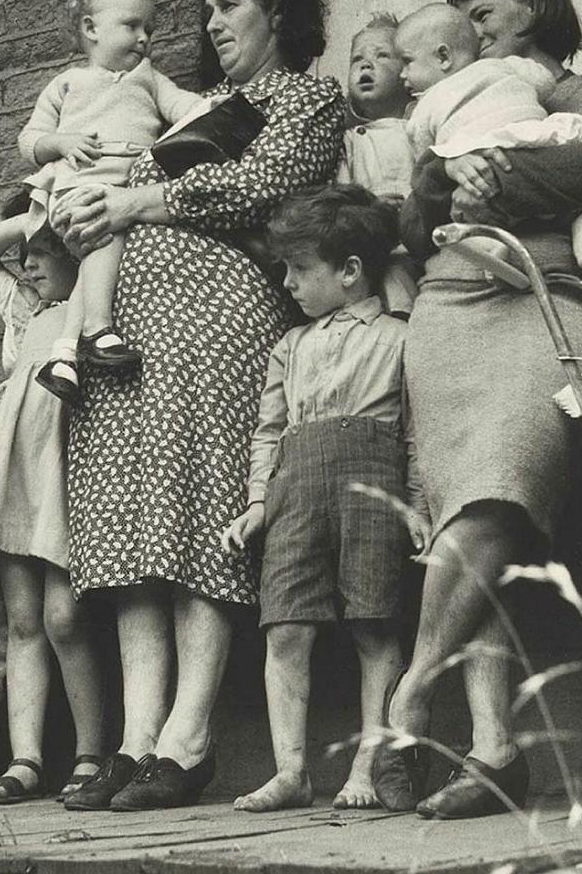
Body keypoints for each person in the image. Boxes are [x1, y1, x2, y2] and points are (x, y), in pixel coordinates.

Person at [54, 0, 344, 813]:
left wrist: (139, 200)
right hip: (129, 329)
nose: (212, 23)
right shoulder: (193, 106)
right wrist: (82, 206)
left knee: (198, 506)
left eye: (229, 4)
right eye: (207, 8)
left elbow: (269, 185)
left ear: (277, 12)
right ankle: (137, 737)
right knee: (134, 519)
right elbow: (113, 180)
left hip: (220, 318)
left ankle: (190, 734)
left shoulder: (305, 97)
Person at [373, 0, 582, 819]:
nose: (469, 30)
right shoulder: (449, 104)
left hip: (561, 293)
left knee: (504, 480)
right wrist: (443, 179)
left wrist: (495, 177)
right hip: (454, 304)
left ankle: (411, 691)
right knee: (463, 504)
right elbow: (414, 223)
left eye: (484, 11)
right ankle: (494, 750)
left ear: (533, 8)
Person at [221, 185, 430, 813]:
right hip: (295, 490)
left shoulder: (399, 338)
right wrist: (258, 502)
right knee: (286, 626)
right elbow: (269, 431)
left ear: (350, 270)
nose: (287, 283)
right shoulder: (291, 346)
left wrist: (417, 504)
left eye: (299, 268)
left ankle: (368, 763)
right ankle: (291, 770)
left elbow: (417, 431)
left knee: (374, 622)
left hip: (373, 487)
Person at [0, 194, 105, 804]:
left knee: (64, 618)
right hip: (16, 472)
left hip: (63, 467)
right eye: (25, 255)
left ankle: (92, 753)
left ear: (76, 255)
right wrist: (34, 216)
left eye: (44, 252)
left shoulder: (92, 308)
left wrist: (61, 221)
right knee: (23, 620)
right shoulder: (24, 309)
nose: (30, 264)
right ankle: (26, 760)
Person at [18, 0, 200, 403]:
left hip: (125, 188)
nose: (144, 38)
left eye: (149, 29)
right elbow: (29, 140)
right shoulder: (68, 83)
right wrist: (61, 142)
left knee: (101, 253)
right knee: (105, 232)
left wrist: (214, 107)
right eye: (132, 25)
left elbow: (186, 108)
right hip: (79, 188)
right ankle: (98, 329)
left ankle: (64, 355)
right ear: (91, 29)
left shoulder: (150, 78)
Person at [395, 3, 582, 276]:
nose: (402, 74)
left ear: (443, 56)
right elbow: (545, 82)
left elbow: (426, 158)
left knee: (460, 221)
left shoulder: (424, 106)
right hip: (534, 140)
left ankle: (494, 248)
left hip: (481, 164)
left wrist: (443, 164)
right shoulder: (504, 66)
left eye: (406, 62)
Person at [336, 15, 423, 316]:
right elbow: (341, 198)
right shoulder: (348, 141)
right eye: (356, 59)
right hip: (376, 248)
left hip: (421, 239)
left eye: (382, 55)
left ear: (406, 71)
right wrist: (369, 210)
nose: (365, 65)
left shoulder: (419, 126)